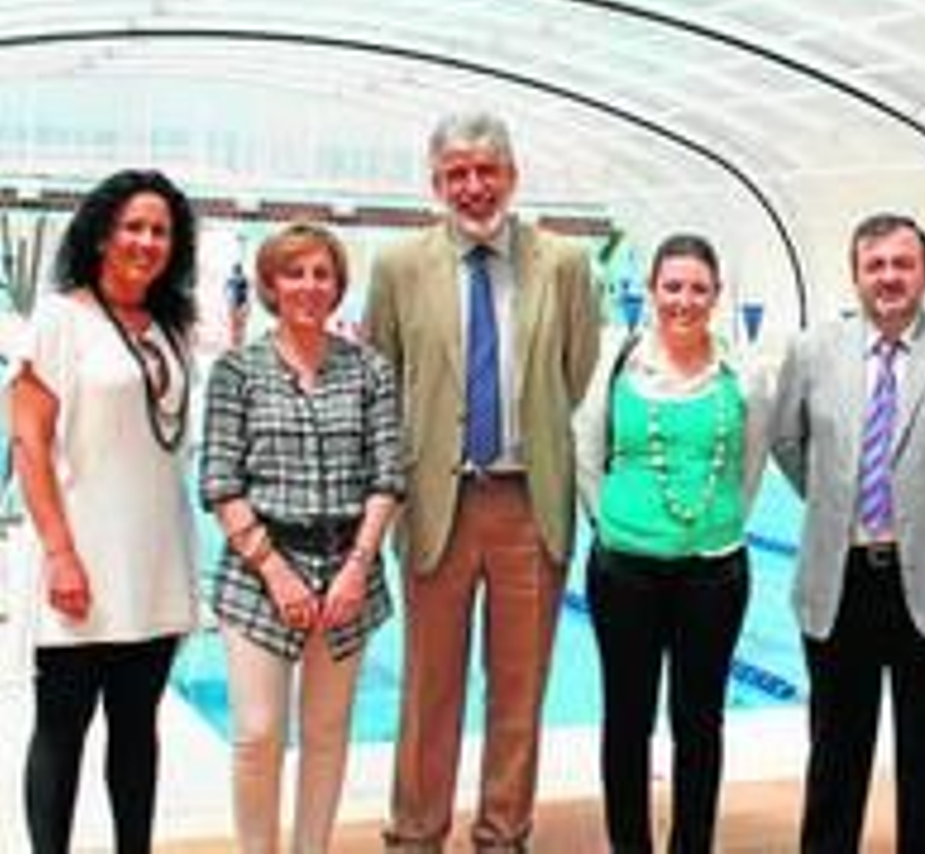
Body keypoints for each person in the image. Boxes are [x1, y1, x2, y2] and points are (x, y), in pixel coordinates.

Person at [366, 112, 600, 852]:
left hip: (529, 503)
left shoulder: (561, 262)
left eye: (485, 170)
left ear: (512, 175)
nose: (472, 186)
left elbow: (578, 371)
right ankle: (414, 833)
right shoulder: (400, 265)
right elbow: (382, 378)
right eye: (456, 174)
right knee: (429, 688)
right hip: (438, 503)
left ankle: (504, 833)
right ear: (436, 183)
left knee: (519, 691)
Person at [770, 211, 925, 854]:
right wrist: (837, 507)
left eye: (902, 264)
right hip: (842, 579)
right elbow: (788, 442)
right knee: (835, 754)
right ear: (855, 274)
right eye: (875, 265)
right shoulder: (813, 352)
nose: (889, 278)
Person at [8, 169, 201, 854]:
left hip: (152, 563)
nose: (147, 241)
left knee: (136, 730)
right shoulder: (63, 315)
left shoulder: (173, 325)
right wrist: (60, 552)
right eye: (133, 226)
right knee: (62, 728)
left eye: (161, 230)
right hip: (81, 560)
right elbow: (28, 442)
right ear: (101, 234)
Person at [200, 222, 404, 853]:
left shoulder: (369, 370)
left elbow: (389, 476)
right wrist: (277, 572)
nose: (309, 286)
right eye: (295, 273)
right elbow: (219, 483)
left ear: (339, 286)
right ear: (269, 284)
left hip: (349, 568)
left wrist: (355, 567)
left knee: (325, 729)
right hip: (261, 572)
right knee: (259, 734)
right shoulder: (238, 371)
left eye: (322, 274)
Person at [574, 233, 770, 854]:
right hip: (624, 572)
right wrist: (611, 526)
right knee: (626, 721)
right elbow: (586, 452)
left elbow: (751, 465)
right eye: (672, 286)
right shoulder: (616, 362)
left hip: (713, 573)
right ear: (652, 290)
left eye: (698, 289)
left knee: (699, 723)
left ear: (716, 296)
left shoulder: (744, 374)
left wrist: (714, 524)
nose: (683, 301)